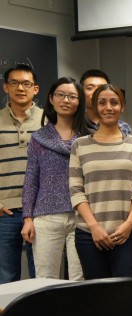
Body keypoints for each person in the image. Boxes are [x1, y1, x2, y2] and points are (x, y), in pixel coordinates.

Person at [69, 83, 132, 280]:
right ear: (94, 106)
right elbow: (76, 191)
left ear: (122, 106)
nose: (108, 107)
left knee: (125, 295)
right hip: (89, 234)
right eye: (102, 103)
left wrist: (130, 222)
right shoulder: (80, 145)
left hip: (125, 234)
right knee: (97, 298)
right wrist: (94, 227)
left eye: (114, 102)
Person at [21, 77, 90, 281]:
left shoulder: (90, 137)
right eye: (60, 95)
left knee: (81, 279)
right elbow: (31, 179)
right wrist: (27, 218)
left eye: (72, 96)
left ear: (79, 101)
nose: (66, 100)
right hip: (46, 216)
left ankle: (77, 315)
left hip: (83, 216)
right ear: (51, 99)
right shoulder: (39, 138)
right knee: (46, 280)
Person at [0, 63, 42, 284]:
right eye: (14, 83)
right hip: (4, 213)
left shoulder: (48, 121)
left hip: (39, 211)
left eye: (26, 83)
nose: (20, 88)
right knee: (6, 278)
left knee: (40, 276)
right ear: (6, 87)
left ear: (36, 89)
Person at [79, 69, 131, 135]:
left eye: (101, 88)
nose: (96, 92)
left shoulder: (123, 127)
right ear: (80, 92)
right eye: (90, 88)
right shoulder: (74, 125)